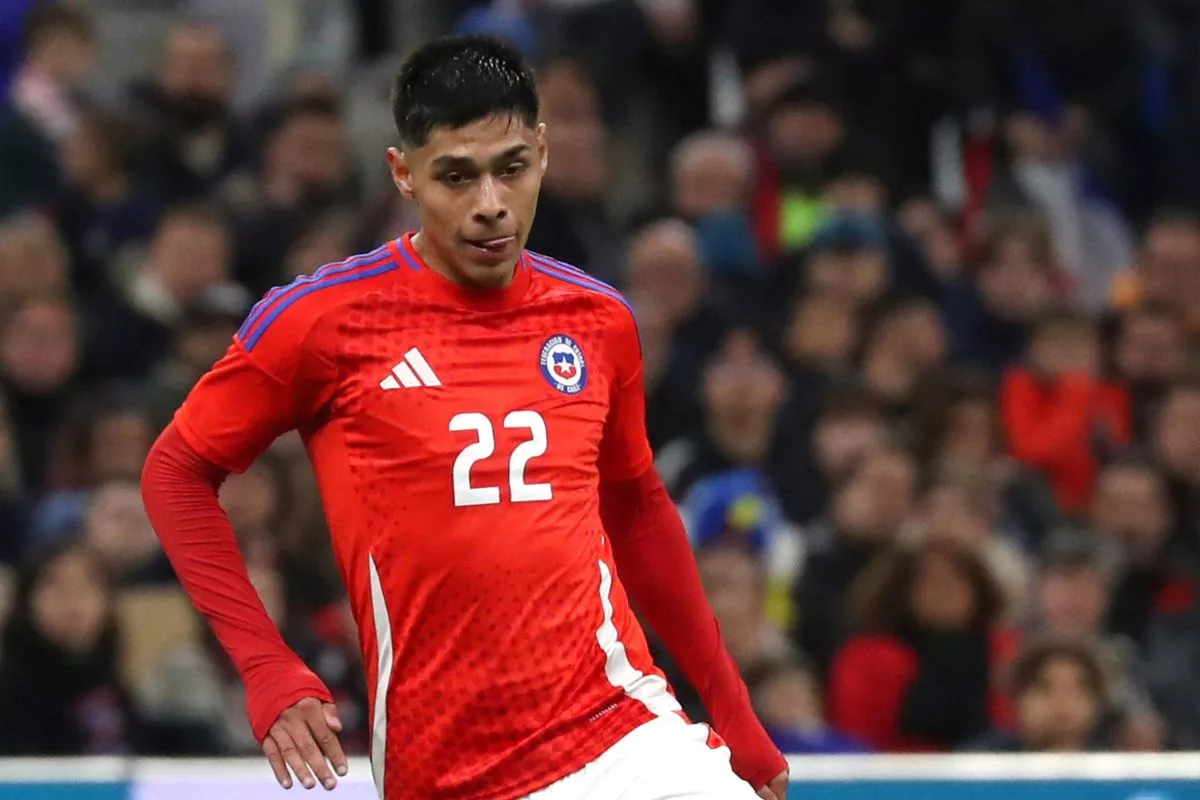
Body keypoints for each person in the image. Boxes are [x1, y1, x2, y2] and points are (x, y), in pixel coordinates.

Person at [141, 36, 787, 800]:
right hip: (447, 770)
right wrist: (265, 664)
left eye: (511, 168)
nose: (490, 204)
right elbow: (175, 473)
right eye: (456, 176)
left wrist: (734, 713)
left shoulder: (596, 319)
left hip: (619, 729)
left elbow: (637, 508)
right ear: (403, 173)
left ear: (542, 152)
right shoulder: (323, 321)